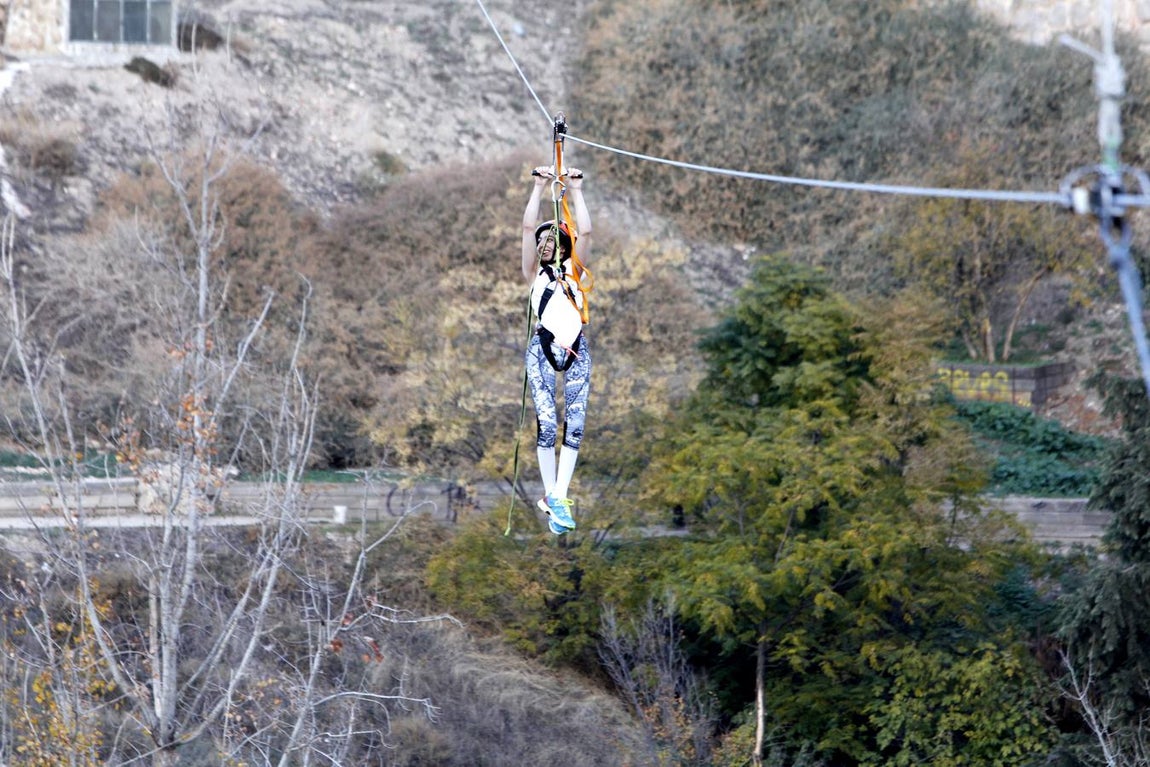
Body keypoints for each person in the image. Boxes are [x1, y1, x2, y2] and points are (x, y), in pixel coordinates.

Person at [521, 165, 592, 535]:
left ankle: (558, 497)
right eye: (543, 242)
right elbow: (525, 230)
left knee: (575, 426)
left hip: (576, 349)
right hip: (543, 348)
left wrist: (576, 191)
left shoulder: (574, 271)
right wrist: (538, 188)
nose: (546, 245)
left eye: (553, 242)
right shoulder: (534, 273)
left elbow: (589, 233)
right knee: (548, 424)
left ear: (563, 246)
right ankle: (552, 494)